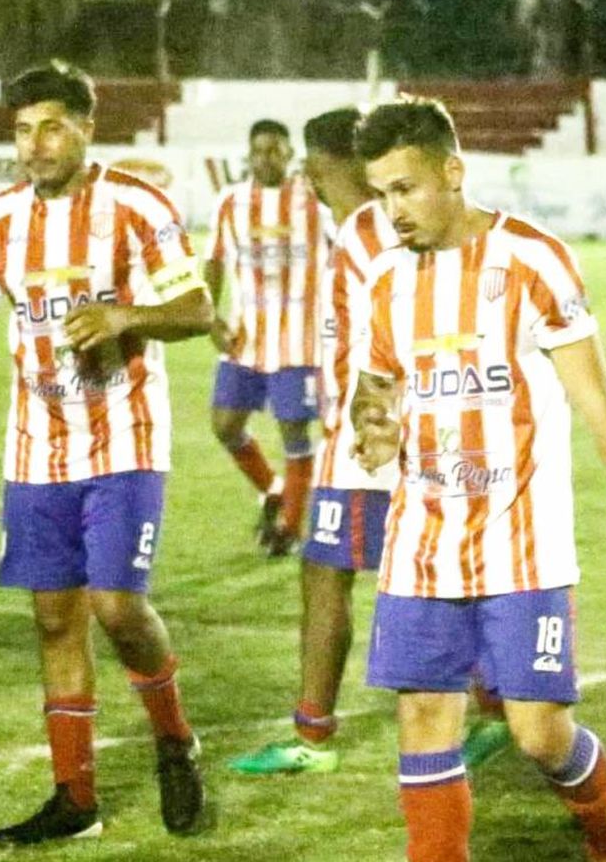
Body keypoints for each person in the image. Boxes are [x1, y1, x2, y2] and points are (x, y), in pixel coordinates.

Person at [345, 97, 606, 862]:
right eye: (381, 193)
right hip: (421, 539)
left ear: (453, 172)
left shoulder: (530, 260)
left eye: (406, 188)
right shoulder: (384, 282)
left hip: (524, 542)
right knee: (423, 715)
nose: (393, 210)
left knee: (538, 732)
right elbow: (376, 387)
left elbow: (596, 399)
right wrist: (371, 423)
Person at [0, 62, 210, 844]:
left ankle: (175, 741)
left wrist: (122, 316)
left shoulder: (137, 207)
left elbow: (196, 309)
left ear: (85, 124)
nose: (34, 145)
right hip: (36, 450)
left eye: (49, 127)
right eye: (21, 130)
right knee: (55, 620)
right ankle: (75, 800)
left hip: (124, 438)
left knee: (116, 607)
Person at [227, 107, 401, 774]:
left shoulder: (368, 229)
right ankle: (314, 734)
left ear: (349, 165)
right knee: (331, 570)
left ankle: (315, 739)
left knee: (361, 575)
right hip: (351, 435)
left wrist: (375, 415)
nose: (310, 178)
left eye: (318, 166)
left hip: (370, 440)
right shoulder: (358, 227)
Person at [206, 118, 334, 555]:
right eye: (260, 150)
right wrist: (211, 319)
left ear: (289, 153)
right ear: (249, 154)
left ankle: (291, 527)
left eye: (276, 149)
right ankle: (272, 490)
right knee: (224, 425)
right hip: (245, 337)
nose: (267, 157)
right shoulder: (231, 203)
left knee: (294, 433)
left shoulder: (316, 200)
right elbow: (214, 261)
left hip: (300, 341)